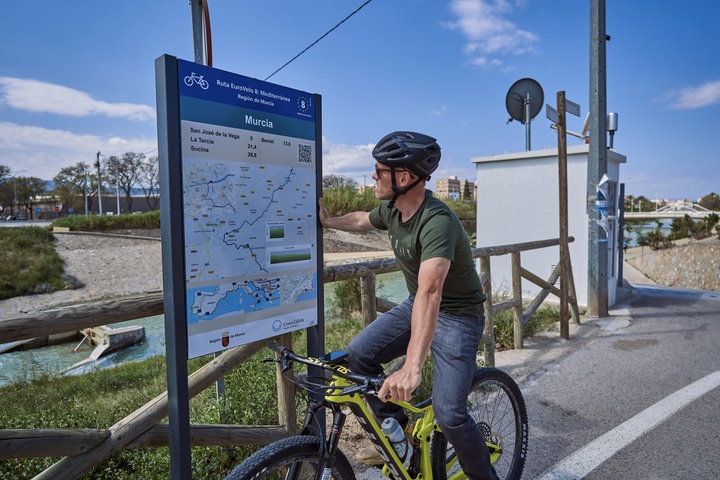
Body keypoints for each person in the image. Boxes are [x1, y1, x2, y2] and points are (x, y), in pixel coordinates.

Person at [318, 131, 498, 480]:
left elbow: (432, 292)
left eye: (379, 170)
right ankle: (398, 434)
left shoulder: (438, 222)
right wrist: (327, 222)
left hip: (459, 315)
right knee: (359, 355)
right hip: (418, 303)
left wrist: (412, 367)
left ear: (403, 177)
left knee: (450, 415)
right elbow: (360, 220)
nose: (373, 176)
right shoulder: (391, 209)